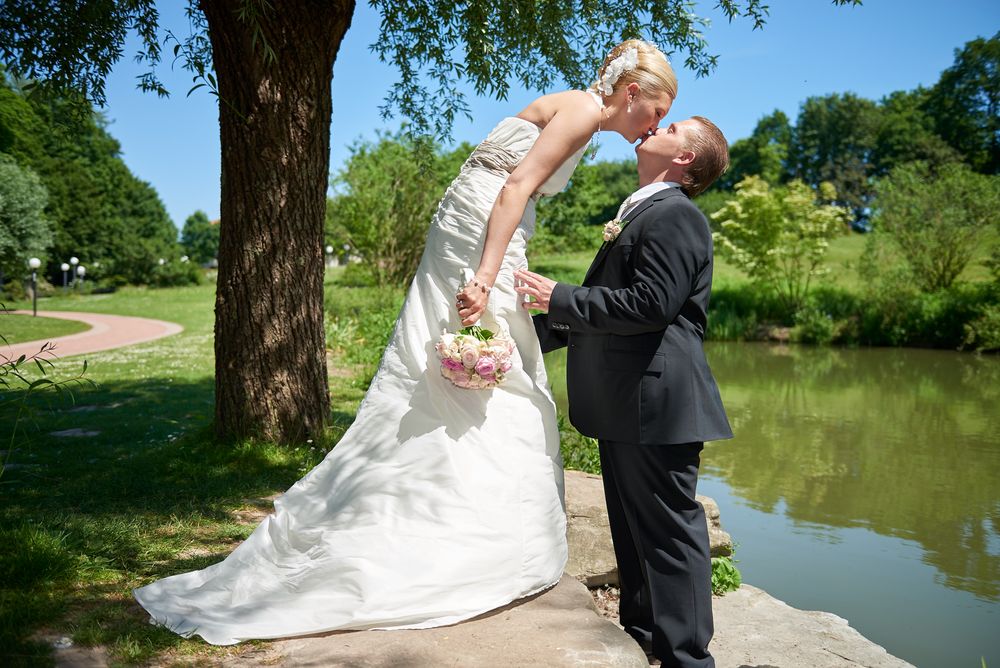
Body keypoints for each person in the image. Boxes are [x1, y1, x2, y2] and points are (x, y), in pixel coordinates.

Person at [133, 40, 677, 645]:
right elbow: (513, 188)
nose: (652, 127)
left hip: (468, 221)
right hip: (483, 231)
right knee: (501, 366)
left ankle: (429, 500)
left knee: (472, 361)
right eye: (656, 113)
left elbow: (496, 178)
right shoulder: (582, 113)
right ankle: (468, 532)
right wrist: (485, 276)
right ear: (631, 93)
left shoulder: (570, 104)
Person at [514, 117, 734, 667]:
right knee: (634, 530)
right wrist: (514, 340)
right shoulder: (642, 209)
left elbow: (650, 305)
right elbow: (613, 305)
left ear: (687, 158)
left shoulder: (676, 214)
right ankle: (643, 637)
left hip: (654, 404)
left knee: (668, 535)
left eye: (674, 124)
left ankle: (687, 658)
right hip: (625, 402)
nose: (656, 123)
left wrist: (559, 296)